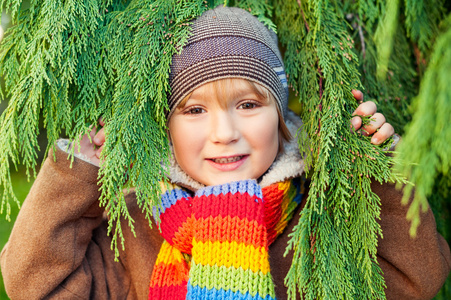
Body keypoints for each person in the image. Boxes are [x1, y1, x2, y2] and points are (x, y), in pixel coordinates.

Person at [1, 6, 450, 300]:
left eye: (249, 105)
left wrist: (379, 175)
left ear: (279, 114)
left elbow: (417, 280)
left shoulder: (318, 217)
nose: (224, 132)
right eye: (194, 109)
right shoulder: (135, 228)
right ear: (166, 125)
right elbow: (34, 286)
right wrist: (76, 173)